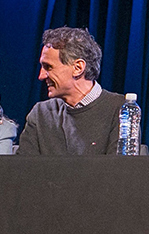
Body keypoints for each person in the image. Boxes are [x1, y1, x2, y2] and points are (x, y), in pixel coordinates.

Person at [18, 27, 127, 155]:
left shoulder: (121, 110)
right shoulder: (40, 113)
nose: (41, 76)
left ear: (78, 68)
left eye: (48, 67)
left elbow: (119, 171)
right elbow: (23, 170)